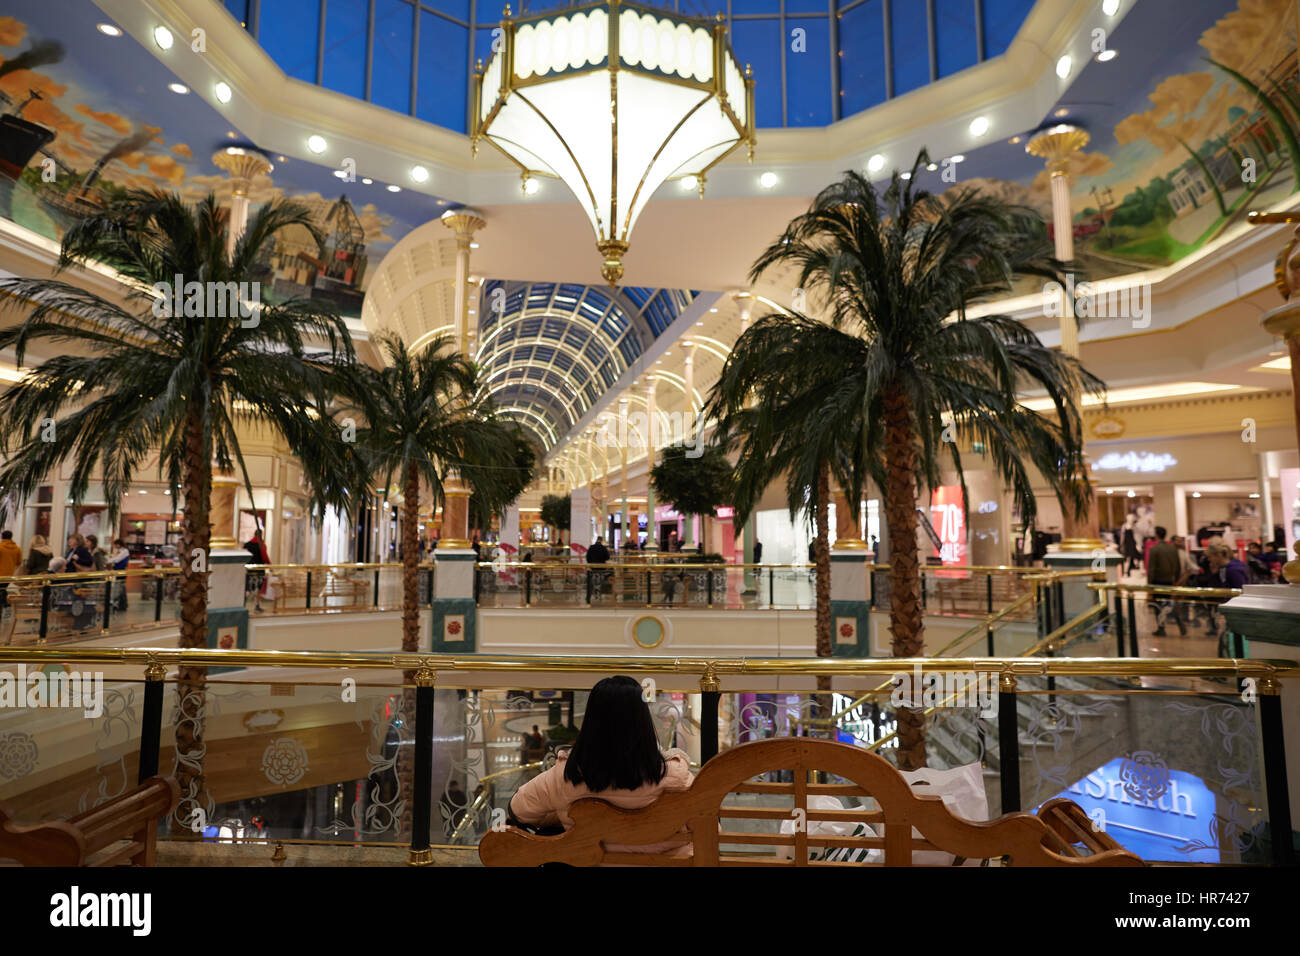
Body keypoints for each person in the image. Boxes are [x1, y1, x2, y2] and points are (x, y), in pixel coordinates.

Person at [508, 676, 694, 856]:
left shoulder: (564, 775)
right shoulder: (675, 775)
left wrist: (560, 812)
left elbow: (518, 811)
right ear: (643, 721)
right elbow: (707, 825)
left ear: (590, 722)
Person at [1147, 527, 1185, 637]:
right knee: (1170, 605)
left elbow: (1151, 569)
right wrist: (1176, 580)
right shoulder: (1172, 549)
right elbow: (1178, 566)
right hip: (1169, 581)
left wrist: (1149, 585)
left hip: (1158, 582)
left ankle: (1161, 628)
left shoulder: (1155, 549)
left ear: (1156, 535)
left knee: (1158, 607)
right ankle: (1179, 623)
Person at [244, 529, 270, 612]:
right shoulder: (261, 545)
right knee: (258, 589)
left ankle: (243, 604)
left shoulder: (247, 545)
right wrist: (270, 565)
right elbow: (264, 557)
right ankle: (257, 606)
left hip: (249, 570)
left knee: (248, 588)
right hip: (259, 570)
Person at [0, 530, 21, 609]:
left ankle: (3, 602)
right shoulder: (17, 548)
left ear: (2, 537)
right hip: (9, 573)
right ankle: (4, 602)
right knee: (3, 588)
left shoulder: (0, 547)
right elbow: (19, 562)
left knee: (1, 589)